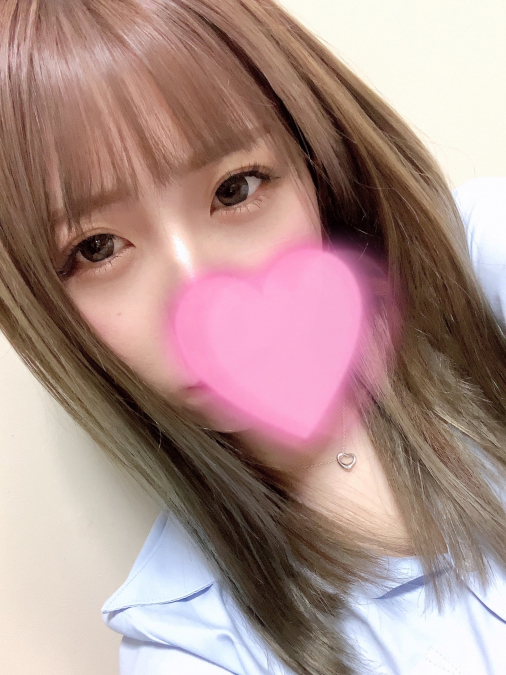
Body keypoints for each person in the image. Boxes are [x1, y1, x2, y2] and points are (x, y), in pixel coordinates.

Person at [0, 1, 505, 674]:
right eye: (96, 248)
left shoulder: (480, 265)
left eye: (236, 188)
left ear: (318, 171)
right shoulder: (190, 644)